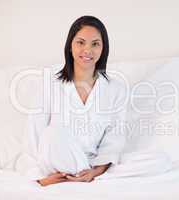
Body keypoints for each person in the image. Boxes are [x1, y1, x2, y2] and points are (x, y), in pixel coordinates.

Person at [16, 16, 127, 186]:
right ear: (70, 45)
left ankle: (80, 174)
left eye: (95, 44)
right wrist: (41, 179)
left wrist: (94, 172)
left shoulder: (115, 88)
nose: (87, 50)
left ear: (103, 49)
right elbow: (34, 135)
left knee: (157, 160)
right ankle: (74, 174)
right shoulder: (50, 82)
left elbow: (114, 139)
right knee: (53, 133)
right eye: (80, 42)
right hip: (56, 159)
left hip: (90, 165)